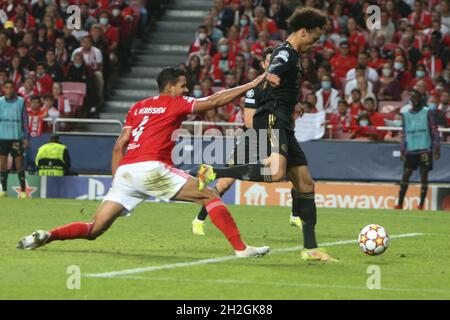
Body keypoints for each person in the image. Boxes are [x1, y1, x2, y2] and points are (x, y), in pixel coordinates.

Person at [17, 67, 270, 259]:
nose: (185, 90)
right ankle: (241, 248)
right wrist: (252, 84)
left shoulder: (138, 107)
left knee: (94, 228)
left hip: (126, 171)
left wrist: (117, 179)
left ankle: (47, 236)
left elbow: (120, 144)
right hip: (151, 167)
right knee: (211, 194)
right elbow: (215, 101)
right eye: (182, 85)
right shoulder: (175, 103)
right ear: (170, 87)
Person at [197, 8, 336, 262]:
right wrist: (271, 76)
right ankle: (217, 172)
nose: (315, 44)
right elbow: (274, 70)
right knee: (276, 173)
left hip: (284, 122)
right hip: (274, 120)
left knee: (305, 184)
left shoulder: (293, 53)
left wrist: (292, 102)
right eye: (314, 38)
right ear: (303, 32)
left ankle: (311, 248)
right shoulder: (285, 53)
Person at [395, 89, 440, 210]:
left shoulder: (427, 112)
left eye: (416, 97)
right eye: (412, 98)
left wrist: (436, 148)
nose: (414, 100)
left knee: (424, 176)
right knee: (406, 174)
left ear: (421, 99)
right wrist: (402, 150)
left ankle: (421, 205)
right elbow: (404, 133)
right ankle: (399, 203)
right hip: (411, 150)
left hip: (425, 149)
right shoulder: (406, 115)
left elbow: (434, 131)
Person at [0, 80, 29, 198]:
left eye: (10, 88)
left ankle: (23, 191)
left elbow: (25, 121)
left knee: (19, 164)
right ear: (3, 89)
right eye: (6, 88)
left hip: (16, 137)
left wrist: (26, 138)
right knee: (2, 164)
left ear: (14, 89)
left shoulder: (21, 102)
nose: (8, 90)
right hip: (2, 137)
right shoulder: (0, 102)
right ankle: (4, 190)